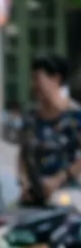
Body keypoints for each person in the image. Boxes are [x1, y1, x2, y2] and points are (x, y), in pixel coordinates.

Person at [19, 55, 81, 206]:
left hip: (67, 196)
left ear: (56, 79)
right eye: (33, 79)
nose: (35, 85)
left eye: (38, 79)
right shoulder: (31, 118)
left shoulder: (74, 116)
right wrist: (24, 182)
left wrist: (59, 179)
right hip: (34, 197)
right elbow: (23, 154)